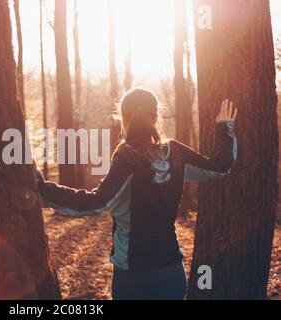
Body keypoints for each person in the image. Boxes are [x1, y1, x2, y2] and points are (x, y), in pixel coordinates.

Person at [35, 88, 238, 300]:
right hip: (172, 274)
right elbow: (220, 166)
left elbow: (94, 203)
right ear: (156, 117)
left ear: (123, 119)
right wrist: (225, 128)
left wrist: (42, 189)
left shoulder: (127, 158)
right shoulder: (176, 153)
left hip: (134, 278)